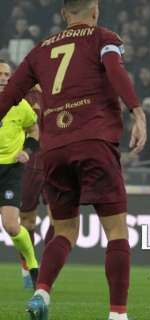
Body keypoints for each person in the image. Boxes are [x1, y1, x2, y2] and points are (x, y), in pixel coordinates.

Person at [0, 1, 147, 319]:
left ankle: (42, 294)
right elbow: (114, 69)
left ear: (65, 15)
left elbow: (9, 94)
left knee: (64, 229)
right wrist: (137, 111)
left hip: (54, 150)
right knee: (117, 231)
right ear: (94, 11)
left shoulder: (40, 50)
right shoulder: (102, 38)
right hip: (94, 140)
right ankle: (118, 315)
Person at [0, 58, 40, 290]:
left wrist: (27, 150)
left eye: (7, 75)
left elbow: (34, 128)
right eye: (1, 74)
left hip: (11, 170)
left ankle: (31, 263)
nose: (4, 78)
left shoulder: (20, 104)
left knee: (12, 226)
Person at [18, 85, 55, 290]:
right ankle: (28, 266)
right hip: (29, 163)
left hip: (53, 160)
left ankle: (46, 269)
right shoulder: (21, 92)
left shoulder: (58, 90)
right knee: (27, 221)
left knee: (58, 219)